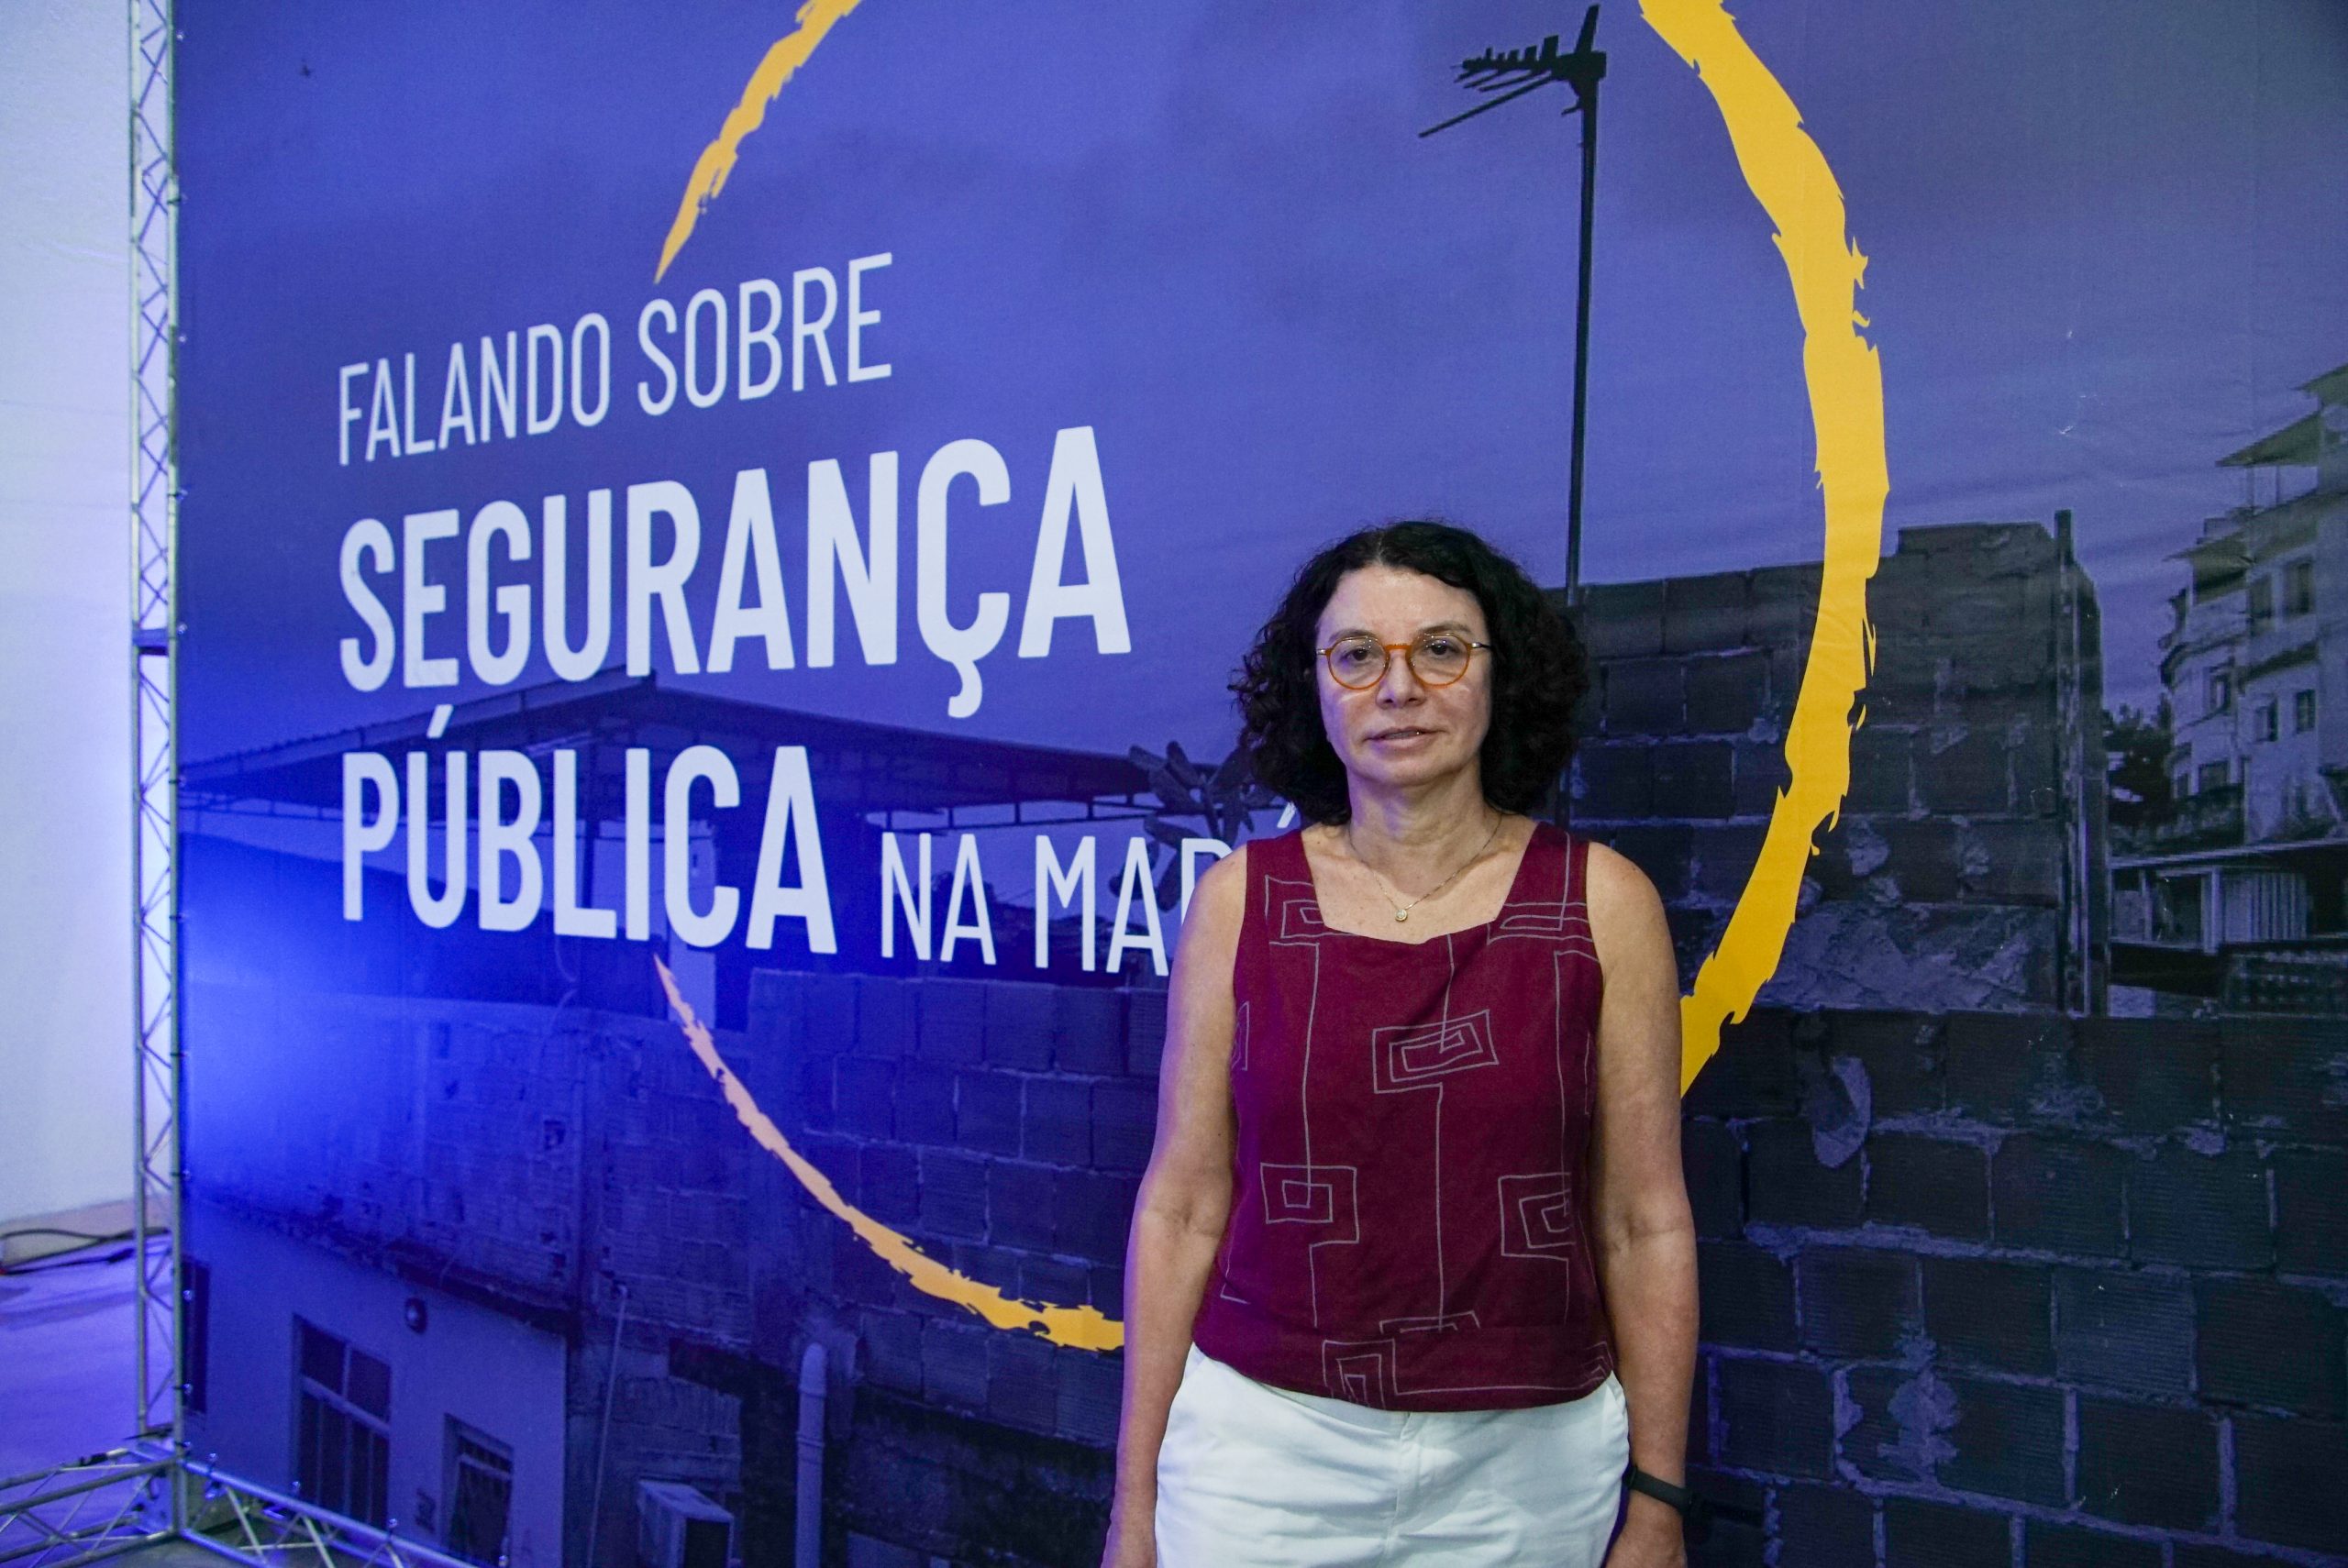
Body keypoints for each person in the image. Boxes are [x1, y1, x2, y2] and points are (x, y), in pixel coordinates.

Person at [1101, 522, 1698, 1568]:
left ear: (1501, 674)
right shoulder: (1240, 903)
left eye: (1442, 649)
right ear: (1314, 687)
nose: (1399, 687)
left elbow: (1641, 1222)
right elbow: (1183, 1206)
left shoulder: (1603, 902)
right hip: (1262, 1455)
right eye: (1356, 655)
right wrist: (1133, 1508)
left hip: (1529, 1468)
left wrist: (1657, 1501)